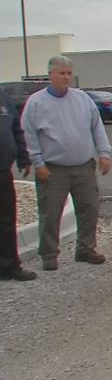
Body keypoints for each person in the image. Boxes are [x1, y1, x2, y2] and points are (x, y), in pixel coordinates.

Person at [21, 56, 112, 271]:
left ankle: (85, 249)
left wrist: (104, 153)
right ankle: (49, 254)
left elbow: (97, 127)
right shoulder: (36, 103)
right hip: (53, 169)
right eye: (62, 73)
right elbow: (29, 135)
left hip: (83, 166)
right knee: (51, 212)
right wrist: (38, 162)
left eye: (69, 73)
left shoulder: (82, 99)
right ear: (50, 74)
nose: (66, 77)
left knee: (89, 207)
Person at [0, 88, 36, 282]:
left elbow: (16, 130)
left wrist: (24, 158)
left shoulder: (3, 98)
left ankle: (9, 266)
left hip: (3, 171)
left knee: (6, 221)